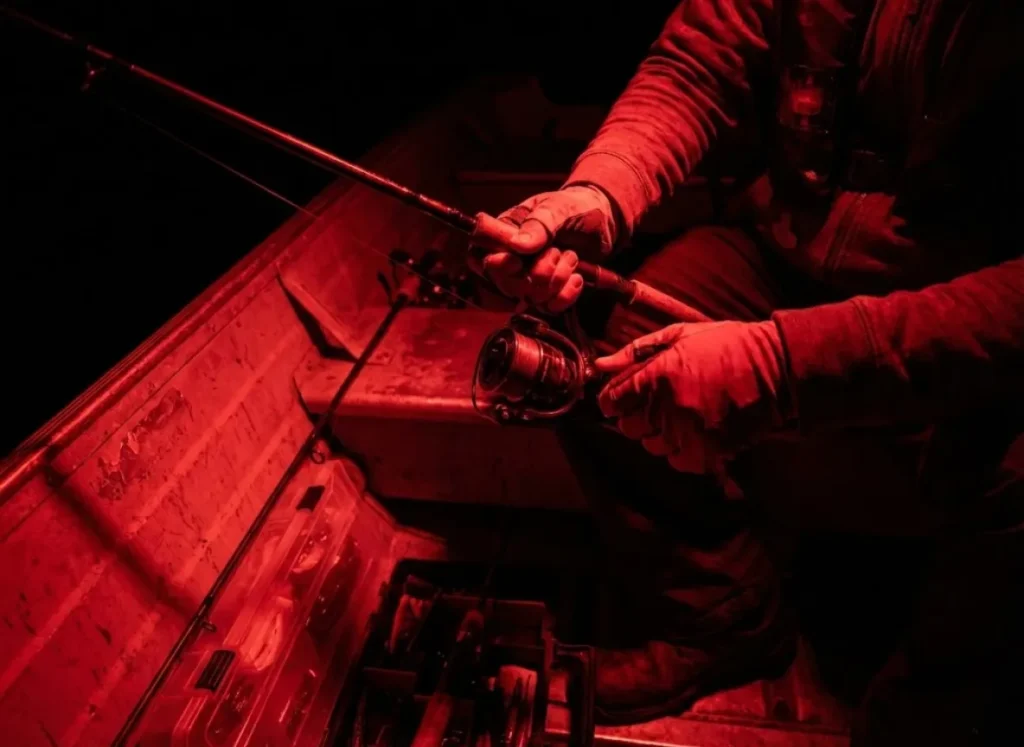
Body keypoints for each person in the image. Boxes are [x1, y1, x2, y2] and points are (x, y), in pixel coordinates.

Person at [482, 1, 1023, 744]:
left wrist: (782, 364)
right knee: (600, 355)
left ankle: (931, 708)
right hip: (794, 251)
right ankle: (727, 619)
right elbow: (697, 63)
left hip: (971, 306)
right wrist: (599, 192)